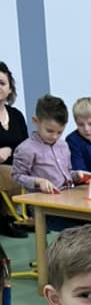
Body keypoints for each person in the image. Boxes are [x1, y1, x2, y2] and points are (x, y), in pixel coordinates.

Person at [12, 94, 91, 231]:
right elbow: (17, 177)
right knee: (86, 227)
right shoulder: (26, 149)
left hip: (67, 200)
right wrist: (38, 181)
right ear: (35, 121)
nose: (55, 136)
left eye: (59, 132)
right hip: (44, 207)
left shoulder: (63, 145)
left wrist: (77, 175)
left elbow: (66, 174)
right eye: (49, 131)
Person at [0, 62, 30, 238]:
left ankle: (24, 217)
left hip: (17, 165)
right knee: (11, 174)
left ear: (10, 89)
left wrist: (10, 150)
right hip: (3, 170)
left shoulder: (16, 115)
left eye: (2, 83)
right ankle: (7, 219)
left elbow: (26, 145)